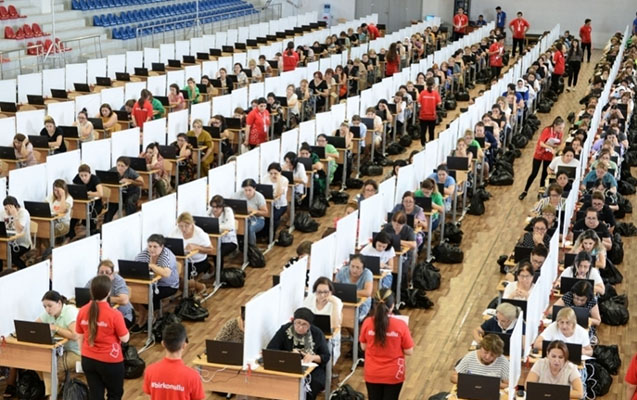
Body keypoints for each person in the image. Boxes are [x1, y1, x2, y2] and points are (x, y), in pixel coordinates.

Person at [76, 275, 130, 400]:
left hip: (88, 359)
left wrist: (84, 353)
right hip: (110, 360)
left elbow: (79, 336)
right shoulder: (115, 314)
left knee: (95, 395)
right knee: (115, 394)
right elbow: (125, 338)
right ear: (109, 292)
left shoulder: (82, 311)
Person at [360, 289, 414, 400]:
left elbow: (363, 347)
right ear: (392, 305)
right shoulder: (401, 325)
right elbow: (409, 351)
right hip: (393, 373)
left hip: (372, 372)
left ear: (375, 305)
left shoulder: (367, 322)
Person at [266, 308, 330, 400]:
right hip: (288, 365)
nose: (300, 327)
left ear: (310, 325)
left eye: (304, 324)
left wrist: (313, 357)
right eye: (297, 323)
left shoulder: (317, 333)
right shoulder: (285, 330)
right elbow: (271, 348)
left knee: (313, 384)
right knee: (281, 383)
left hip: (312, 369)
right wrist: (290, 355)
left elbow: (326, 356)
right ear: (293, 321)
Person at [143, 323, 205, 400]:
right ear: (184, 345)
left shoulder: (150, 371)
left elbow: (150, 395)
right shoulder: (193, 376)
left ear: (163, 344)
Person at [131, 234, 180, 332]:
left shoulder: (166, 255)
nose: (151, 249)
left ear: (162, 247)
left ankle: (149, 317)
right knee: (134, 292)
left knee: (148, 294)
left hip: (168, 285)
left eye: (155, 247)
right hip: (152, 284)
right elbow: (135, 265)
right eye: (149, 246)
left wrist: (152, 266)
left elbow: (166, 273)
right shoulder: (145, 253)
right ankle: (144, 316)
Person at [519, 117, 564, 200]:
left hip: (548, 154)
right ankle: (525, 191)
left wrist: (554, 148)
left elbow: (558, 144)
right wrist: (550, 147)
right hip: (539, 153)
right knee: (534, 173)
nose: (561, 130)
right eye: (559, 128)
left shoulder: (560, 134)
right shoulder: (547, 130)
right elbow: (541, 143)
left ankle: (540, 192)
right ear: (555, 125)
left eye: (562, 128)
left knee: (544, 174)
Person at [170, 212, 214, 297]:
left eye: (186, 226)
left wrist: (196, 247)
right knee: (174, 277)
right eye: (181, 226)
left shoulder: (200, 233)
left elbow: (211, 250)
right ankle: (188, 291)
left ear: (192, 224)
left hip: (197, 262)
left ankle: (200, 287)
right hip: (182, 260)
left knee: (184, 280)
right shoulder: (176, 231)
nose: (183, 229)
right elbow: (170, 243)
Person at [87, 260, 134, 328]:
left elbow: (124, 300)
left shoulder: (118, 280)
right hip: (103, 314)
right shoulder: (94, 280)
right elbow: (84, 293)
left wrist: (103, 298)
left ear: (112, 274)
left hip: (123, 315)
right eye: (101, 272)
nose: (104, 275)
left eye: (107, 272)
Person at [104, 156, 143, 223]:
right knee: (112, 203)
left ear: (127, 166)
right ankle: (106, 223)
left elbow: (142, 183)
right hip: (120, 193)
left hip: (132, 192)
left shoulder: (131, 172)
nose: (120, 167)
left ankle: (131, 221)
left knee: (129, 202)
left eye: (122, 166)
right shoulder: (113, 170)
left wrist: (130, 181)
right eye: (118, 165)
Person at [69, 164, 104, 239]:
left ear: (90, 174)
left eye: (85, 175)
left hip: (96, 204)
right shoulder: (77, 178)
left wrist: (88, 193)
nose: (83, 178)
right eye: (81, 175)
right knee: (75, 214)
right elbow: (73, 190)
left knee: (90, 216)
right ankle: (71, 233)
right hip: (83, 204)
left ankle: (93, 233)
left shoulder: (95, 179)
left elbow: (101, 193)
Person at [335, 254, 373, 320]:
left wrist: (348, 292)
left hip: (362, 303)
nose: (354, 270)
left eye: (358, 267)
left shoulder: (367, 273)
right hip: (344, 302)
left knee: (355, 319)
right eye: (352, 266)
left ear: (363, 268)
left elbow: (367, 292)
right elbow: (334, 288)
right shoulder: (342, 271)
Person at [0, 196, 32, 271]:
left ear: (16, 206)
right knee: (1, 252)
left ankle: (25, 270)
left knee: (12, 256)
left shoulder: (23, 213)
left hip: (23, 244)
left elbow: (19, 230)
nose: (7, 211)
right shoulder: (3, 212)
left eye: (10, 208)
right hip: (9, 242)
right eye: (6, 208)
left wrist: (15, 216)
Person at [207, 195, 238, 270]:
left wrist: (216, 226)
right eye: (213, 207)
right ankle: (209, 269)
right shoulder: (210, 211)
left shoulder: (228, 211)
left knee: (218, 253)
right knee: (207, 251)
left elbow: (230, 226)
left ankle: (219, 273)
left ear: (222, 207)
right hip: (214, 240)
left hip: (229, 240)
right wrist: (221, 227)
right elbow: (206, 224)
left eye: (217, 207)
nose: (215, 209)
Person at [233, 178, 267, 245]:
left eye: (250, 190)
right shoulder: (238, 194)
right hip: (242, 219)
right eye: (245, 190)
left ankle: (252, 247)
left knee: (250, 228)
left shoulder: (259, 197)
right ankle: (239, 246)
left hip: (257, 219)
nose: (247, 192)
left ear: (254, 189)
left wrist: (254, 211)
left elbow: (265, 213)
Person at [261, 162, 289, 231]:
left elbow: (278, 193)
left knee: (274, 218)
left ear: (280, 172)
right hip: (268, 203)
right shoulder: (265, 178)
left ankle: (272, 234)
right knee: (264, 217)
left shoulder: (284, 180)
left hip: (280, 205)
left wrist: (278, 180)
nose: (273, 175)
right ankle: (265, 234)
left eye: (275, 173)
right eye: (271, 173)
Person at [418, 78, 441, 145]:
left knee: (423, 132)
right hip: (431, 116)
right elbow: (439, 104)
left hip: (423, 116)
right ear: (434, 85)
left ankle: (423, 145)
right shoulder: (435, 94)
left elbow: (419, 104)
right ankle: (431, 145)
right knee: (431, 132)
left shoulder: (422, 93)